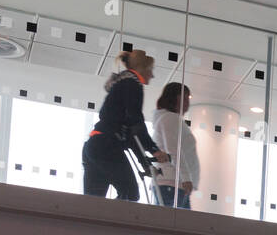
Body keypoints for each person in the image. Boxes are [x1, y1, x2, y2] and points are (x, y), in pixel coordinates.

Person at [82, 49, 168, 201]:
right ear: (143, 69)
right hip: (108, 147)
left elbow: (130, 132)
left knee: (93, 202)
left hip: (94, 145)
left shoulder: (120, 85)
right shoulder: (132, 84)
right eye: (151, 70)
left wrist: (145, 163)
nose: (152, 75)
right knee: (130, 194)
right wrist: (154, 150)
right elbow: (136, 123)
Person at [151, 82, 198, 208]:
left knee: (175, 224)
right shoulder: (170, 118)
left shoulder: (170, 119)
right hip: (172, 182)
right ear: (175, 98)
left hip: (174, 183)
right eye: (185, 97)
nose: (188, 102)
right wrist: (186, 178)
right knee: (171, 224)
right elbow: (173, 151)